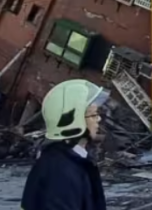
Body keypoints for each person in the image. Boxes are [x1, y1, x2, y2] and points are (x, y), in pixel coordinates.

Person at [21, 80, 109, 210]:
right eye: (94, 114)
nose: (99, 119)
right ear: (75, 122)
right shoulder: (61, 172)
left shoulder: (70, 161)